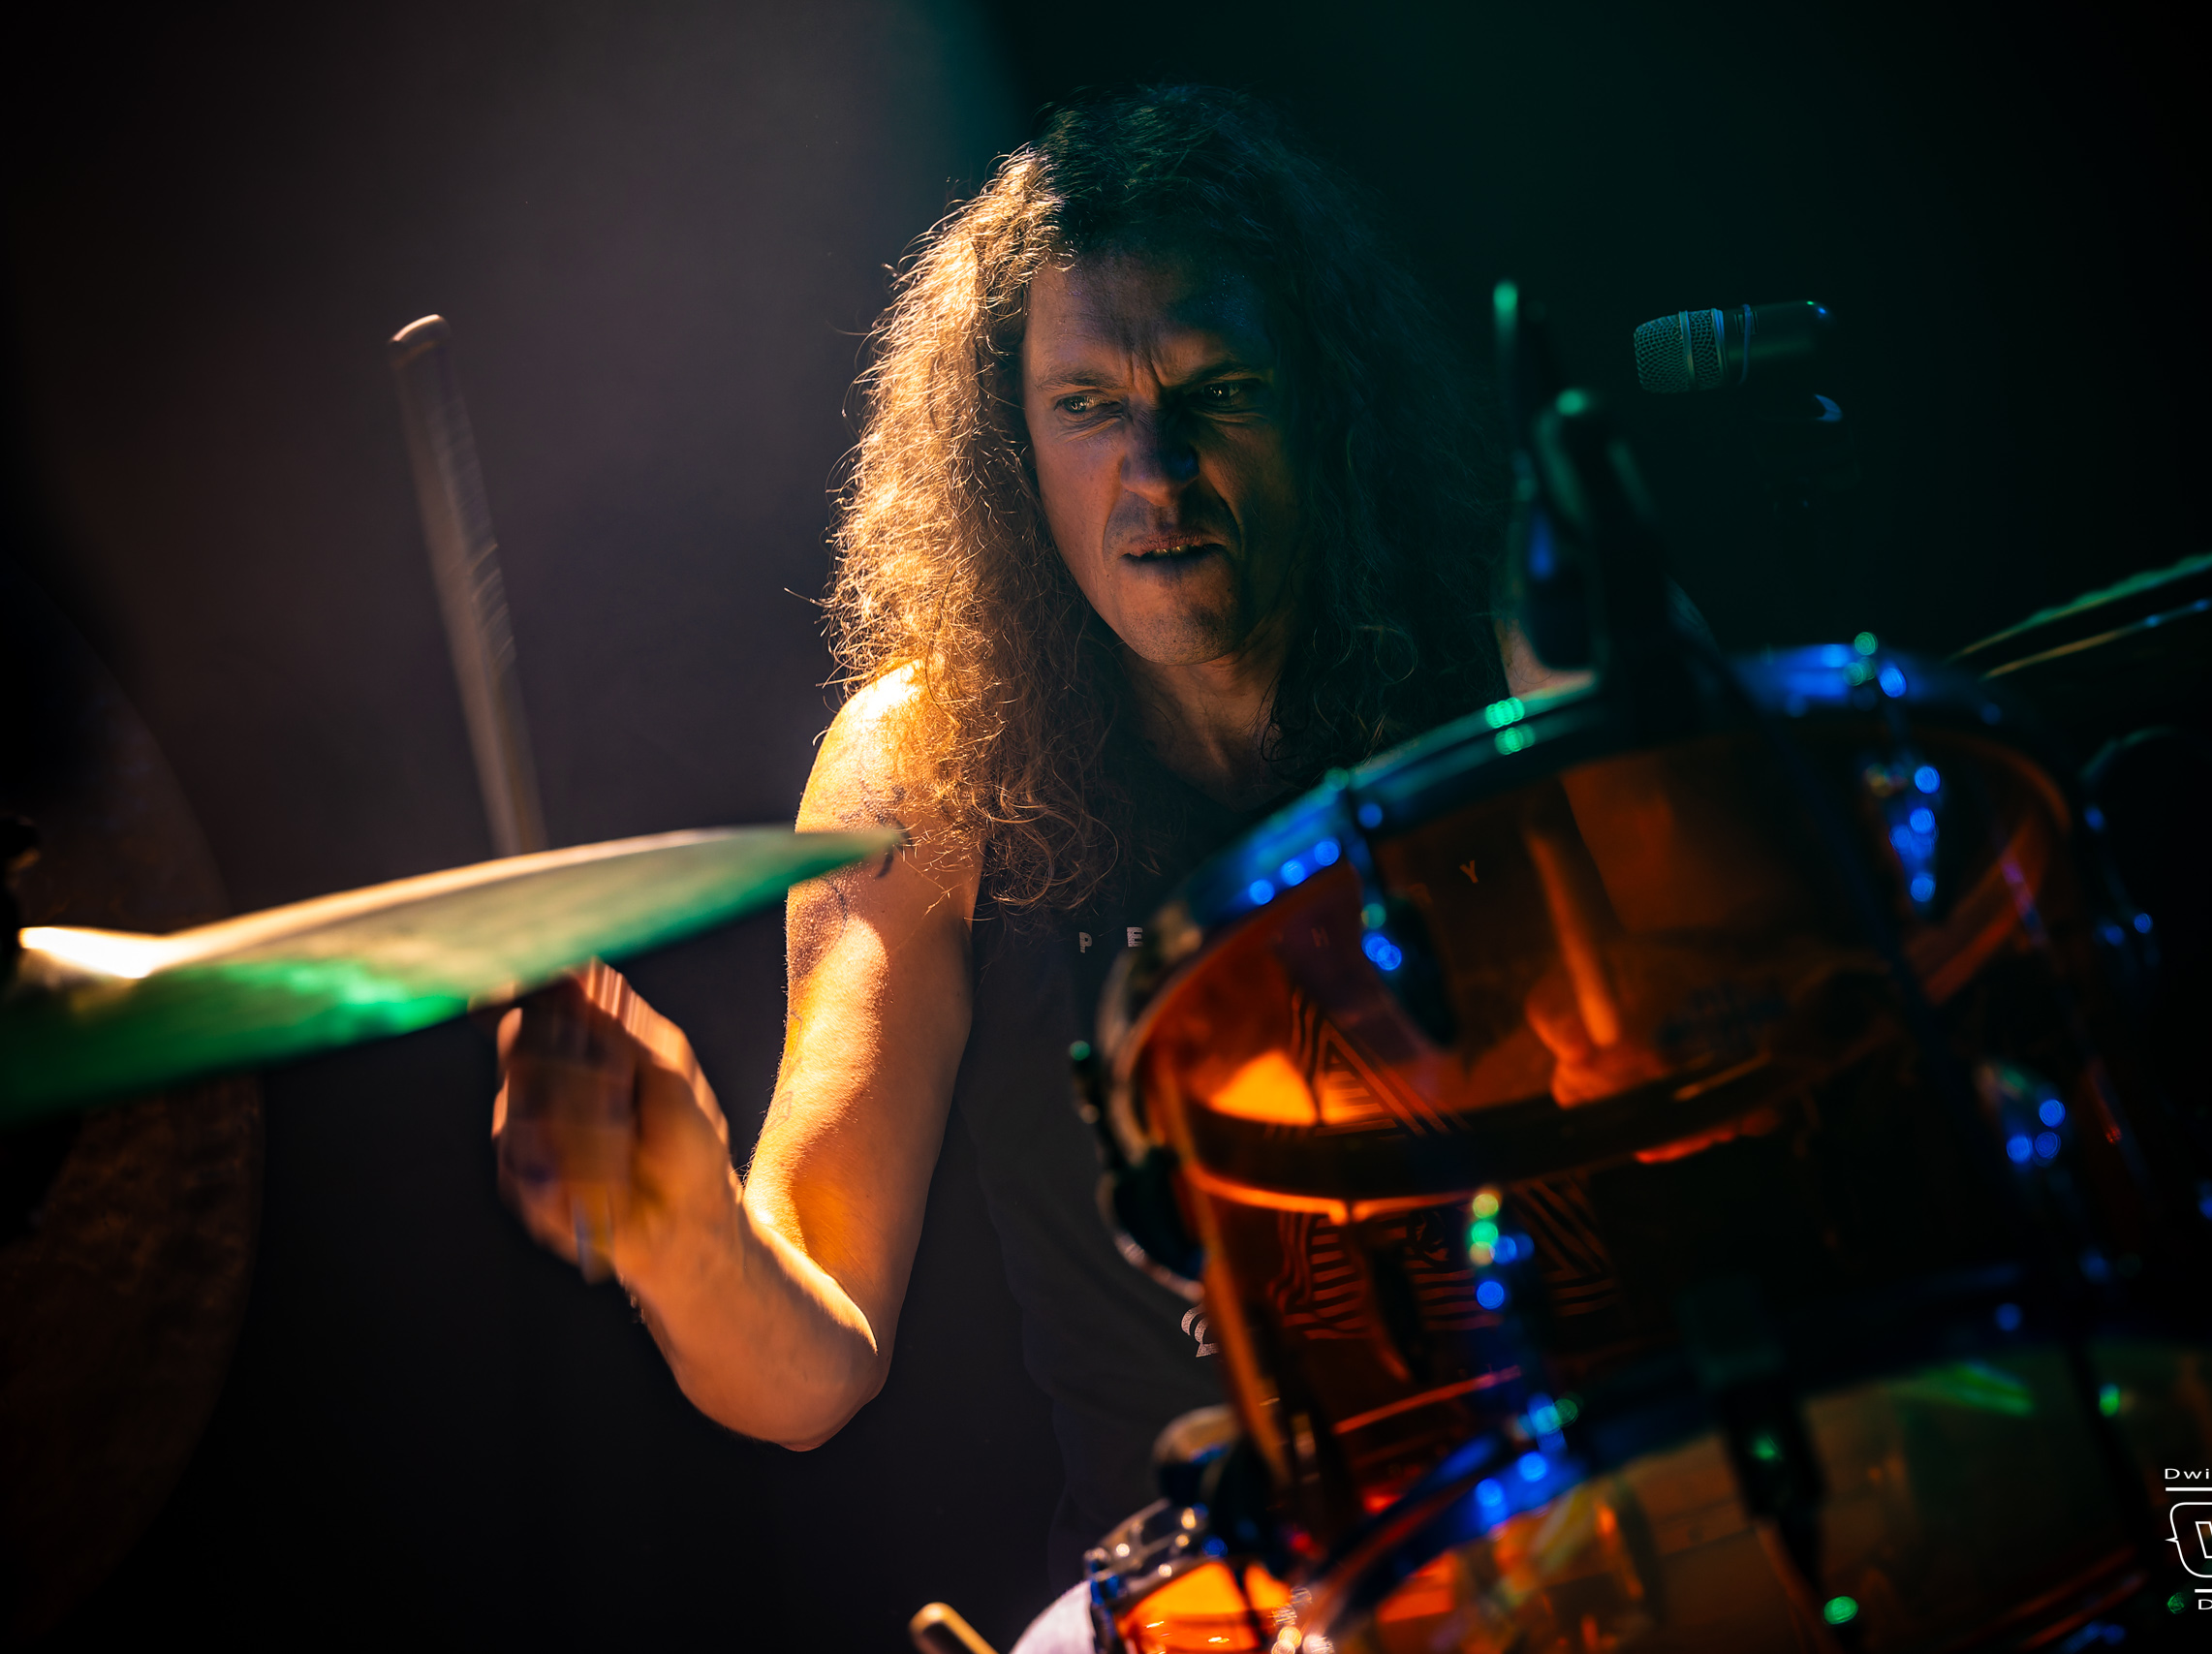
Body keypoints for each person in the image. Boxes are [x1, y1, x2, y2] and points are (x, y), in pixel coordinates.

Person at [492, 85, 1516, 1640]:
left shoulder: (1506, 666)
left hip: (1553, 1520)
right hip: (1204, 1606)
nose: (1156, 468)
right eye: (1088, 406)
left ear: (1327, 403)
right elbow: (808, 1373)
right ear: (1006, 450)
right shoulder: (925, 768)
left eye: (1220, 390)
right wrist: (680, 1220)